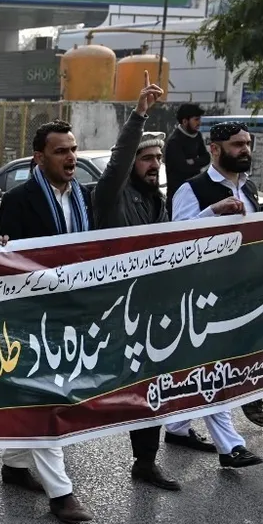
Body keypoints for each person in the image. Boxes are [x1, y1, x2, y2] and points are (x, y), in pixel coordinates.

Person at [0, 119, 95, 523]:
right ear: (39, 157)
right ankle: (61, 493)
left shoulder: (84, 196)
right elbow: (8, 261)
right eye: (61, 151)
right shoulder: (19, 200)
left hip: (74, 312)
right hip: (33, 318)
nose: (71, 158)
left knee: (48, 393)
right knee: (47, 396)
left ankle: (15, 465)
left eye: (73, 150)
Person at [87, 75, 184, 489]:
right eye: (146, 159)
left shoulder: (157, 201)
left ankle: (144, 462)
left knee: (151, 388)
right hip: (108, 313)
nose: (154, 164)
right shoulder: (111, 194)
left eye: (158, 158)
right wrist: (139, 115)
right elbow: (118, 161)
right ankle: (34, 465)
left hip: (146, 313)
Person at [166, 121, 263, 469]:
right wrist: (212, 212)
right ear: (214, 149)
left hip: (244, 295)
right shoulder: (193, 189)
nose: (245, 149)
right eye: (237, 144)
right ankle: (231, 446)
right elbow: (175, 241)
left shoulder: (249, 187)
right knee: (215, 368)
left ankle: (177, 426)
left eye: (248, 143)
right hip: (204, 297)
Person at [164, 103, 210, 209]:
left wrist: (193, 161)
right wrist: (197, 162)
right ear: (185, 121)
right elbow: (182, 168)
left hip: (196, 191)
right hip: (178, 195)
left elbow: (207, 158)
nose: (199, 123)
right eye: (196, 119)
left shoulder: (197, 136)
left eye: (199, 119)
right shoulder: (174, 141)